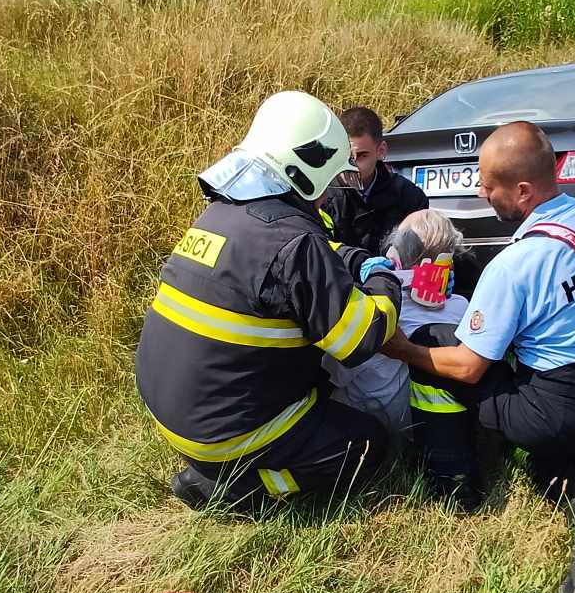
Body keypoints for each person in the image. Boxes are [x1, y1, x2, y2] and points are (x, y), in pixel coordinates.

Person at [135, 91, 404, 510]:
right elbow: (360, 338)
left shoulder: (222, 215)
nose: (327, 194)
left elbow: (303, 260)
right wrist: (386, 279)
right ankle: (234, 490)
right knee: (367, 443)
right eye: (328, 179)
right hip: (225, 432)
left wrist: (353, 259)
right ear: (305, 172)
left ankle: (221, 464)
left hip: (172, 412)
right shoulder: (294, 241)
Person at [382, 121, 575, 520]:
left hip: (552, 411)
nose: (481, 193)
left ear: (523, 191)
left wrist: (400, 347)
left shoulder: (515, 263)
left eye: (488, 185)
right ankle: (569, 466)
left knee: (434, 340)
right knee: (549, 445)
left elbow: (467, 368)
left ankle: (453, 483)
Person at [325, 208, 470, 433]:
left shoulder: (373, 310)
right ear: (448, 260)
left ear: (393, 254)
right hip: (430, 425)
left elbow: (333, 373)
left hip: (375, 423)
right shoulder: (462, 308)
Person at [320, 106, 428, 254]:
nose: (352, 165)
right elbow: (318, 251)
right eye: (346, 156)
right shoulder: (321, 196)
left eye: (362, 155)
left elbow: (418, 257)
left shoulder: (410, 198)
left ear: (381, 151)